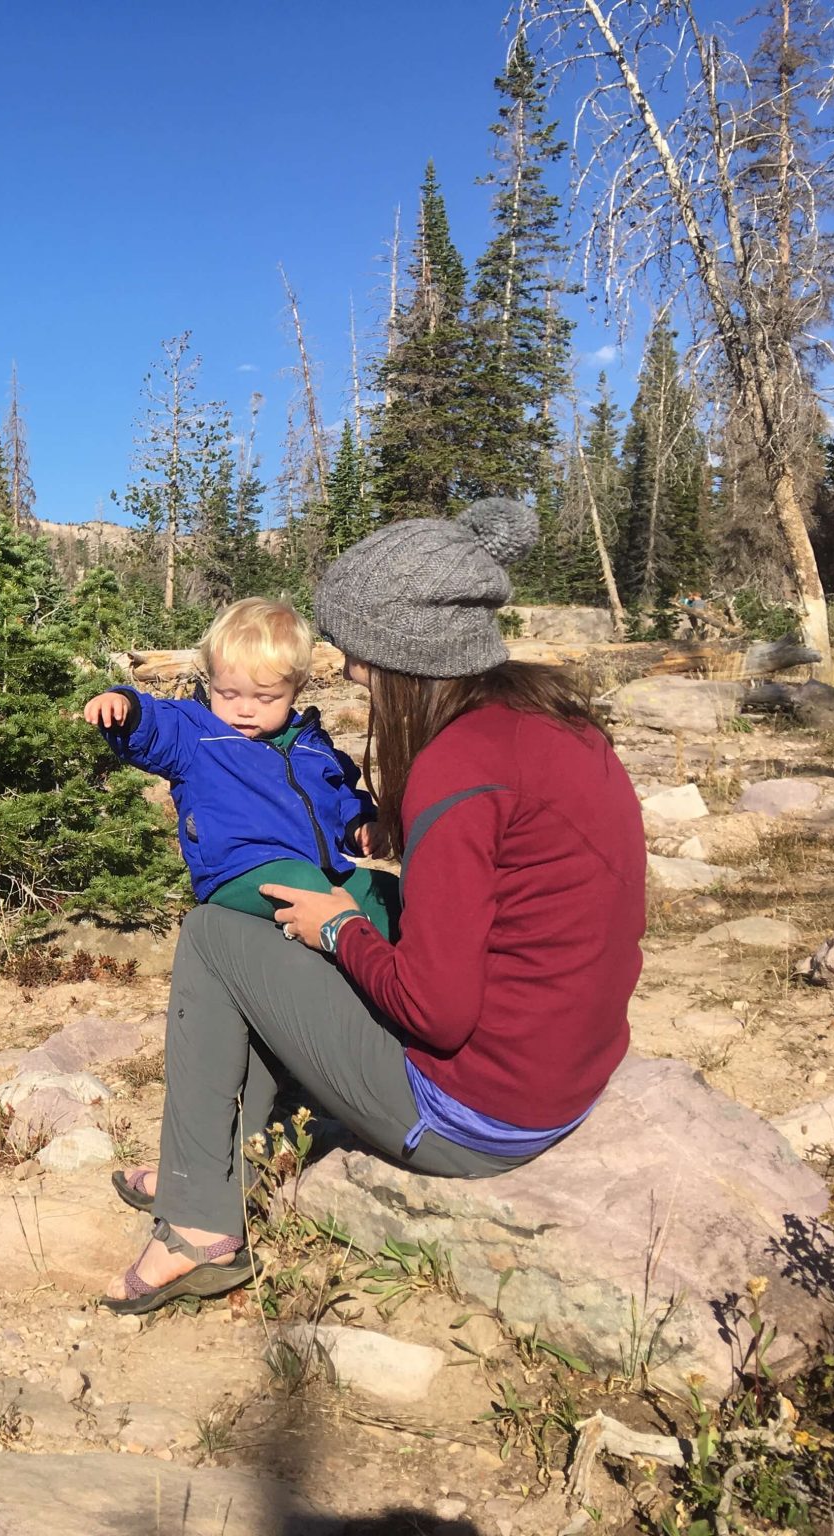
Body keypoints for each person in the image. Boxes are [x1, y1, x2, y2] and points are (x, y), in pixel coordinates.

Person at [102, 498, 645, 1314]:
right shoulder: (553, 724)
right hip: (563, 1075)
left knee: (216, 934)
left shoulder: (458, 768)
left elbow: (435, 1012)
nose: (352, 673)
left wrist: (340, 929)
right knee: (323, 917)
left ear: (404, 653)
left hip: (474, 1116)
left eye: (358, 656)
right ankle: (211, 1168)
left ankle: (198, 1221)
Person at [84, 597, 398, 940]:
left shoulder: (311, 744)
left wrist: (360, 827)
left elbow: (338, 797)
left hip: (321, 869)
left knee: (387, 893)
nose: (244, 710)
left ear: (297, 689)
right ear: (212, 679)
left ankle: (407, 975)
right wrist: (124, 706)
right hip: (238, 872)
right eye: (229, 694)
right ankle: (346, 968)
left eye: (264, 698)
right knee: (304, 888)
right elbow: (157, 725)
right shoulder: (198, 732)